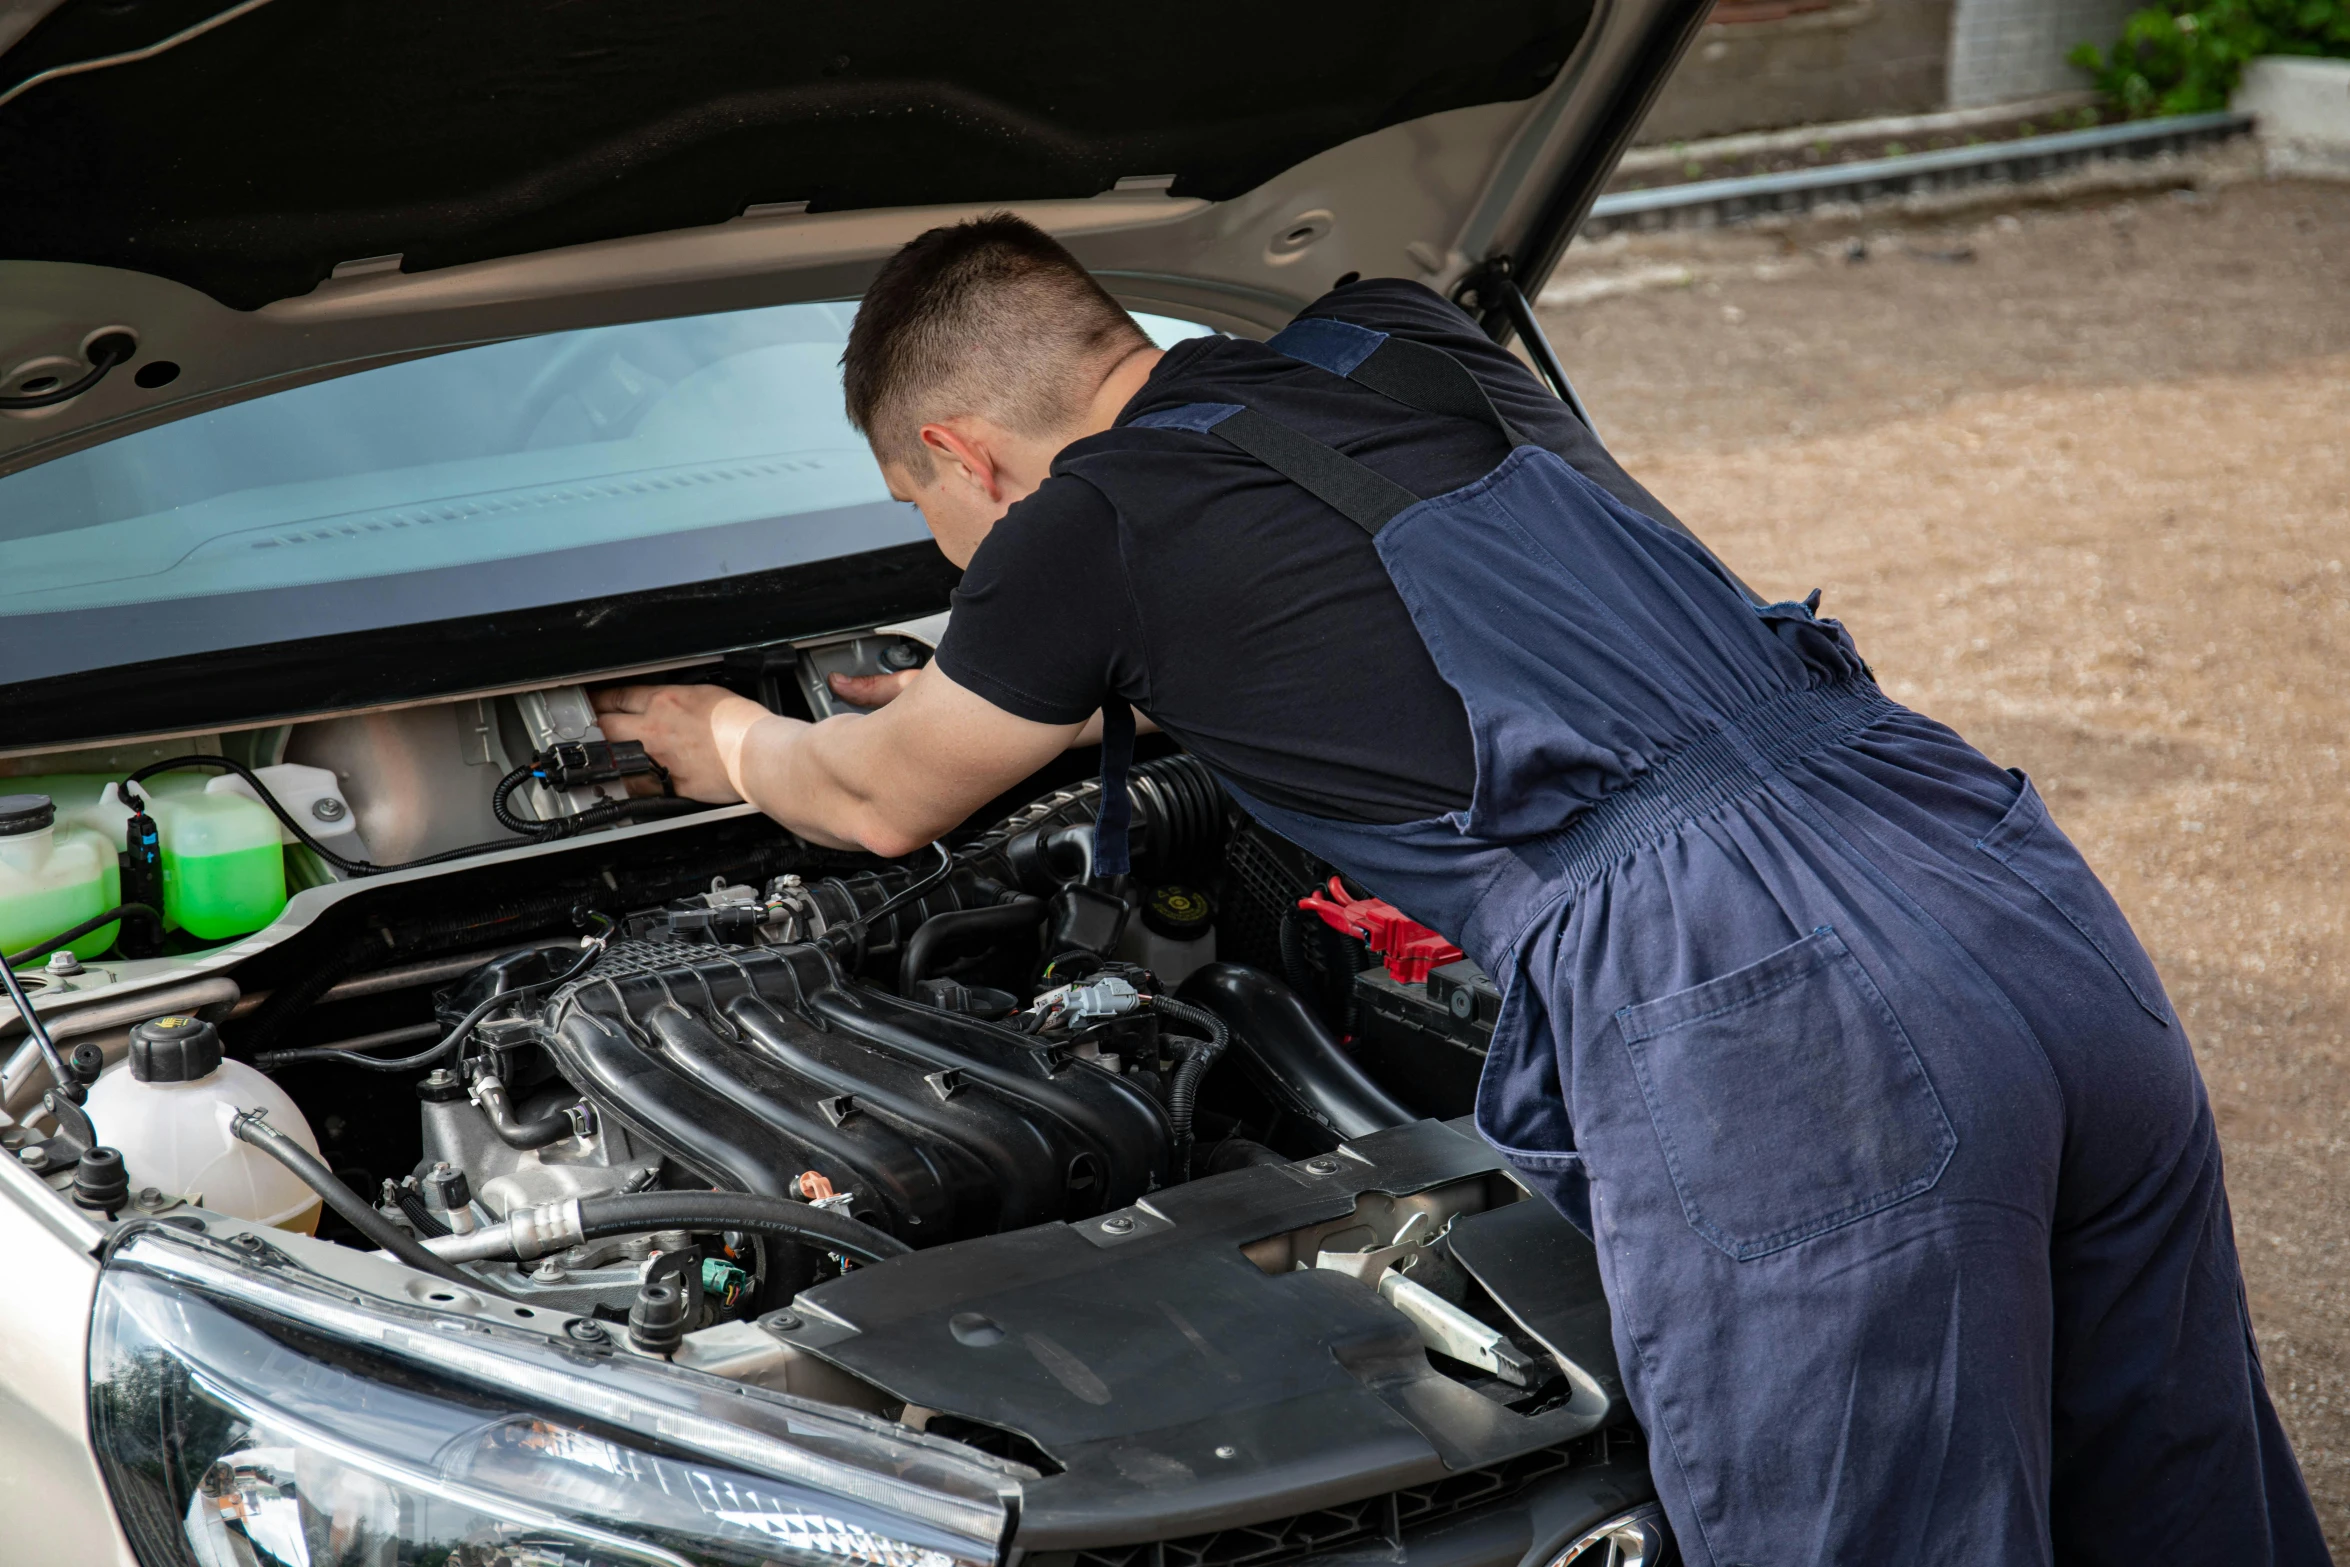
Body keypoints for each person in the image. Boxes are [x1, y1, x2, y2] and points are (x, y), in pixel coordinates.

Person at [593, 214, 2326, 1564]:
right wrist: (1070, 673)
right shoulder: (1407, 338)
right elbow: (1447, 586)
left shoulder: (1084, 525)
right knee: (2168, 1475)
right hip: (1973, 852)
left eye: (938, 523)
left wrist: (726, 734)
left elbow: (879, 800)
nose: (965, 568)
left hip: (1759, 987)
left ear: (965, 452)